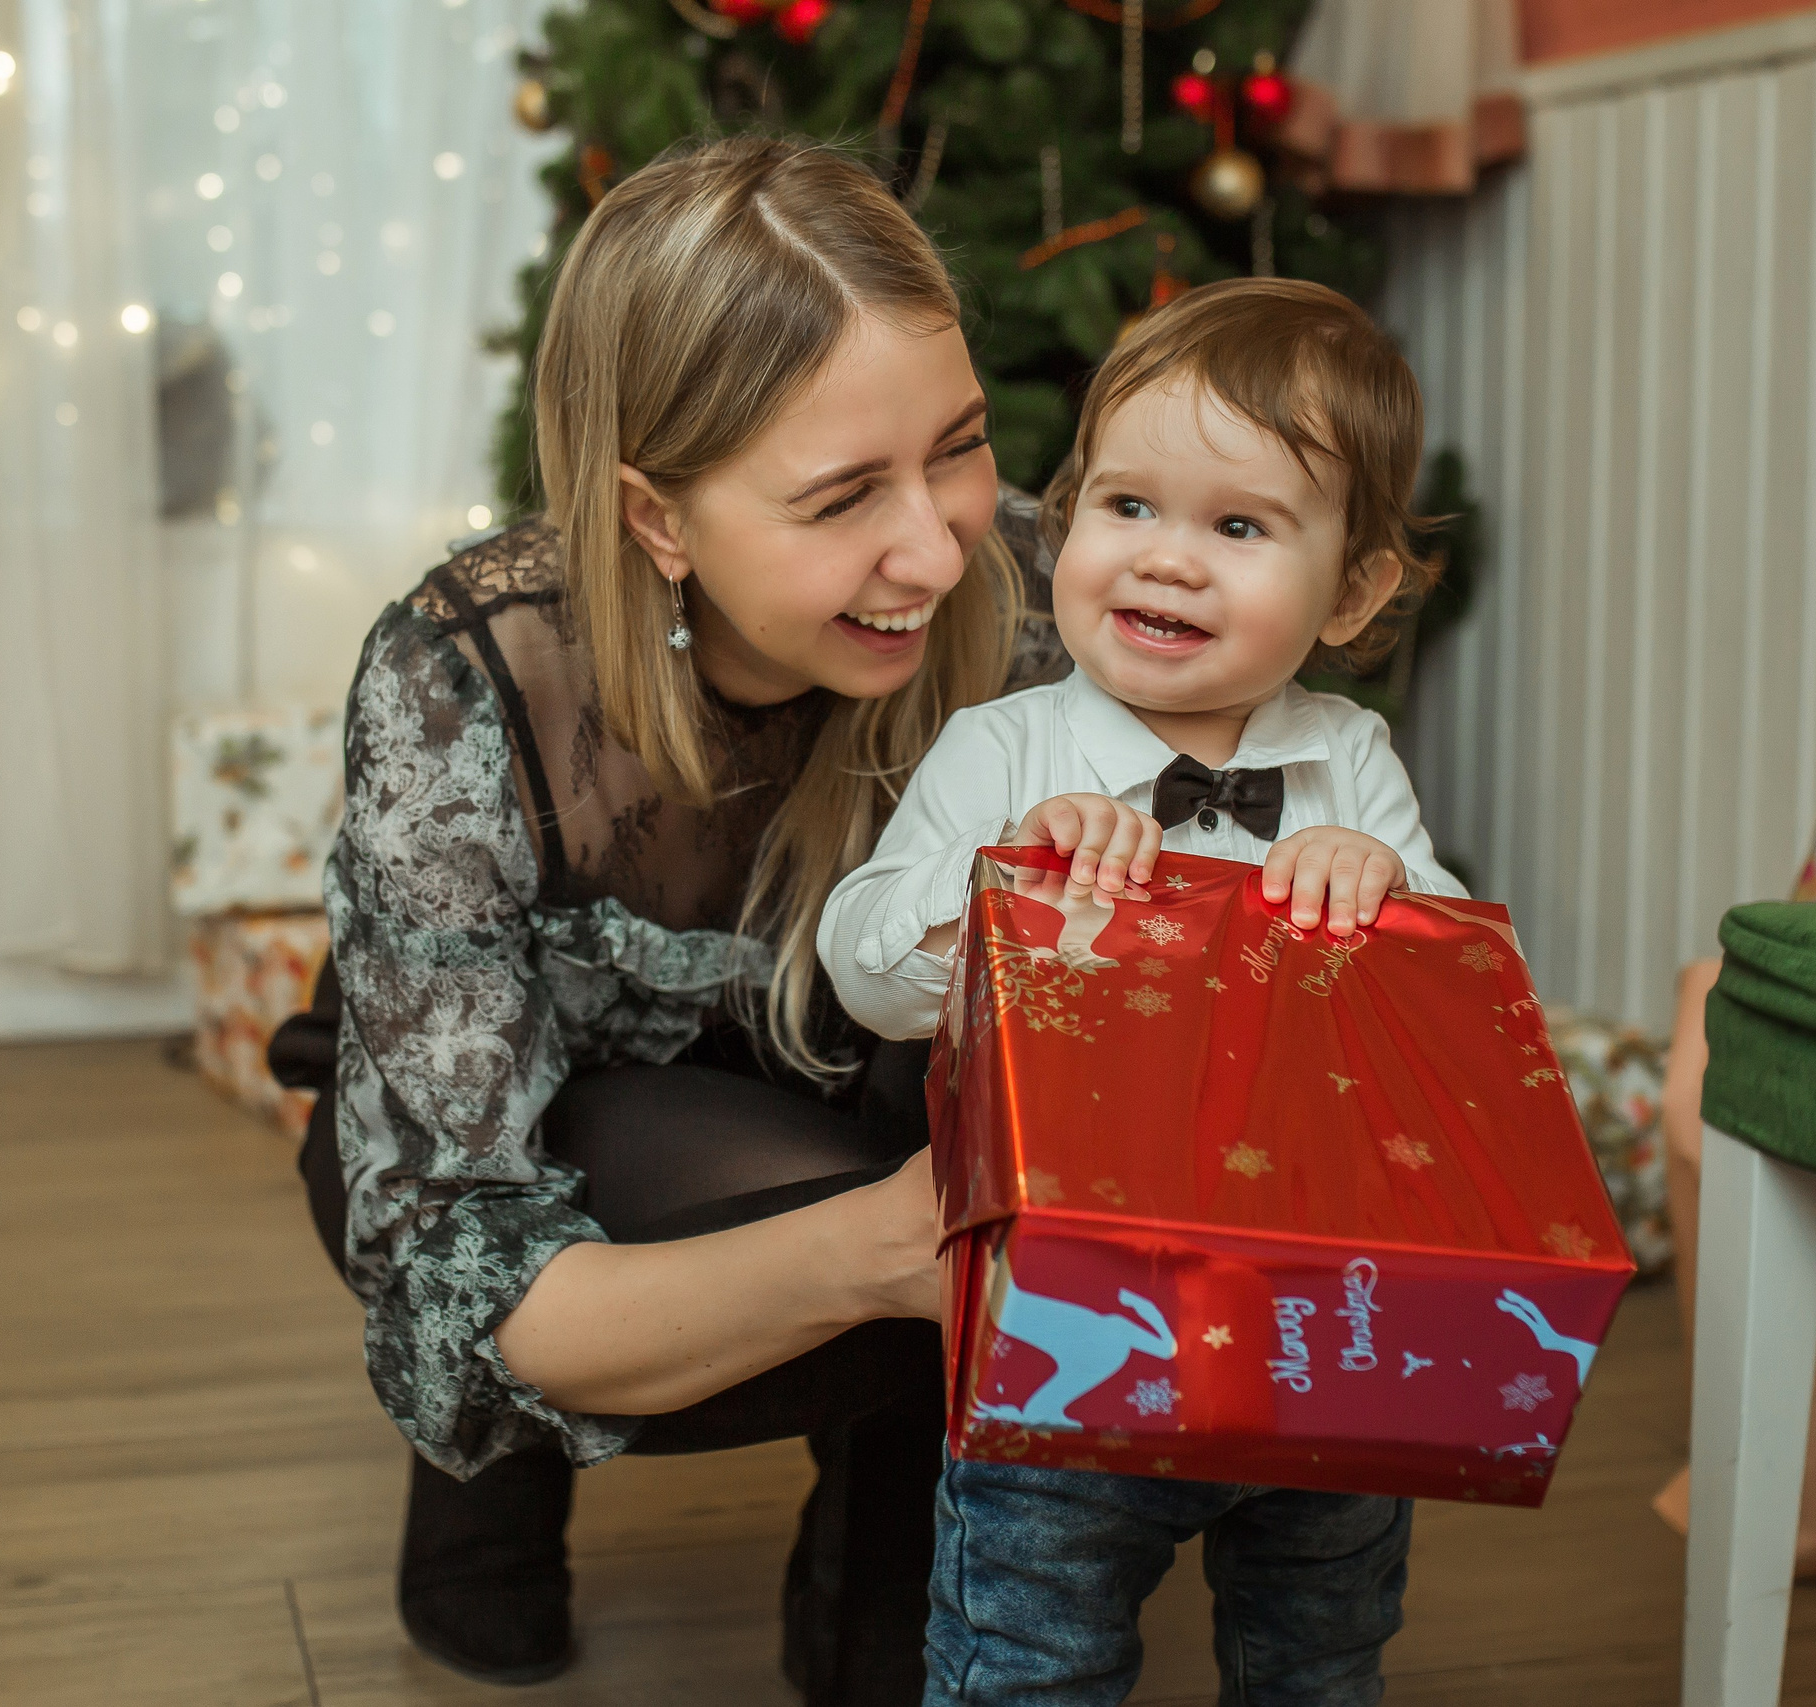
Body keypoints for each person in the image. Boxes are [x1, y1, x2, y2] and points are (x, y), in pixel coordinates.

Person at [267, 134, 1067, 1706]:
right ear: (654, 517)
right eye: (841, 497)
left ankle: (879, 1612)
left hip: (838, 1088)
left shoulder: (1033, 593)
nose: (939, 543)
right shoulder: (465, 674)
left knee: (978, 1229)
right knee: (528, 1348)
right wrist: (888, 1247)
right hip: (510, 1107)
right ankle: (485, 1513)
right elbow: (479, 1272)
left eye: (959, 447)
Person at [816, 278, 1461, 1706]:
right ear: (1068, 521)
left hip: (1318, 1321)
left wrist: (1390, 891)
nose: (1168, 560)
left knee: (1321, 1659)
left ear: (1352, 590)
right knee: (1026, 1659)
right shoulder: (1000, 749)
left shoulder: (1346, 760)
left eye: (1238, 527)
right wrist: (1006, 890)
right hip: (1071, 1318)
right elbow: (862, 965)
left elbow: (1466, 1015)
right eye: (1127, 508)